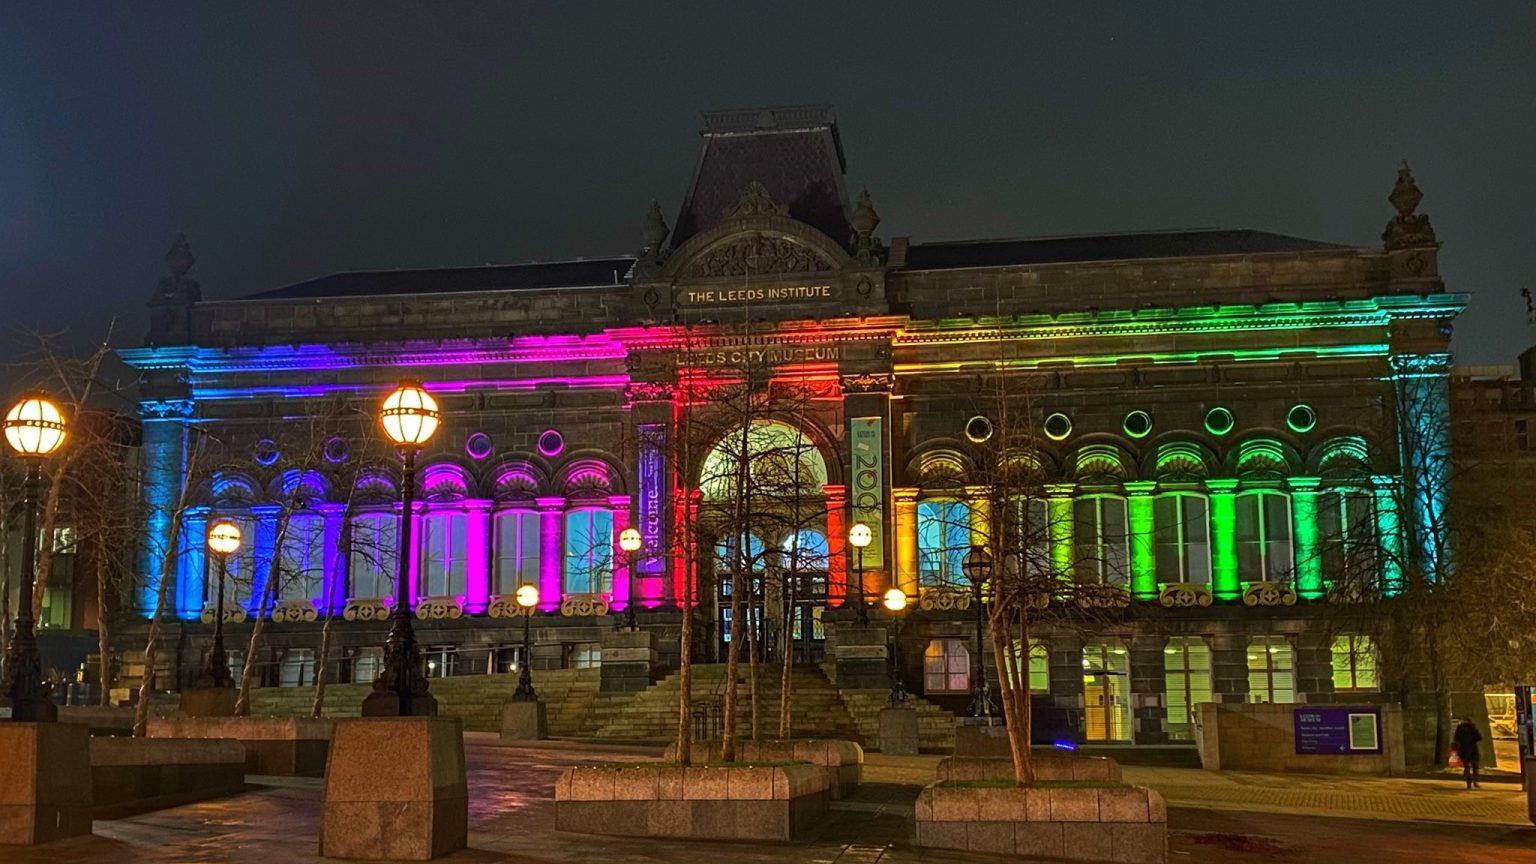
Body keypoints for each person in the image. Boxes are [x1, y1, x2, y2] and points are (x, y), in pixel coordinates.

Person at [1452, 717, 1483, 789]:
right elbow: (1479, 737)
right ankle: (1475, 782)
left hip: (1463, 749)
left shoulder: (1459, 728)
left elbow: (1456, 738)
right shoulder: (1472, 727)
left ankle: (1468, 783)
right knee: (1475, 766)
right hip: (1473, 749)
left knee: (1467, 766)